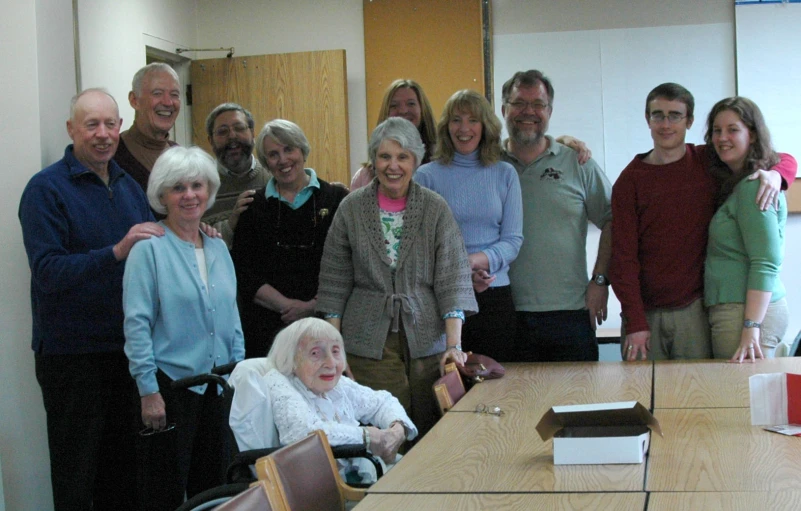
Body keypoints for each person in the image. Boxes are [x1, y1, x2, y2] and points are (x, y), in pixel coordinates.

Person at [18, 88, 162, 511]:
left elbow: (152, 246)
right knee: (78, 476)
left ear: (120, 127)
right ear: (71, 130)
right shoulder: (45, 190)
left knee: (124, 474)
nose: (103, 134)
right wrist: (116, 252)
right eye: (92, 125)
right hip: (72, 358)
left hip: (127, 354)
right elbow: (47, 272)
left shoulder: (129, 185)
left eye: (110, 124)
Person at [609, 83, 797, 361]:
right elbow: (623, 257)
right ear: (647, 119)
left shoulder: (708, 160)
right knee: (644, 397)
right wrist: (635, 321)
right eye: (657, 115)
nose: (666, 123)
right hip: (645, 315)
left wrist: (776, 175)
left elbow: (783, 158)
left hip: (696, 309)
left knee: (700, 396)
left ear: (690, 121)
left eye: (675, 115)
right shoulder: (629, 181)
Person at [317, 117, 478, 438]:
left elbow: (452, 279)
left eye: (403, 157)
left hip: (427, 340)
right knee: (390, 431)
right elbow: (334, 285)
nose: (393, 166)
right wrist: (336, 352)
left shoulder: (435, 208)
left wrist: (454, 344)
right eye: (385, 156)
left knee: (435, 430)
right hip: (367, 343)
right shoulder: (351, 208)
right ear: (373, 159)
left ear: (416, 162)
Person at [123, 146, 245, 511]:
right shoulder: (149, 250)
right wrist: (148, 390)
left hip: (218, 387)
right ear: (162, 195)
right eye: (178, 188)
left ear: (209, 191)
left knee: (215, 490)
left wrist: (238, 375)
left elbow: (232, 317)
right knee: (164, 493)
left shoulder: (218, 247)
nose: (189, 195)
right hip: (170, 389)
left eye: (197, 185)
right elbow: (137, 324)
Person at [501, 69, 612, 362]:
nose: (528, 112)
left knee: (575, 404)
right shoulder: (488, 164)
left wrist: (600, 280)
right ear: (503, 110)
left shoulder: (577, 162)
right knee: (514, 406)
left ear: (550, 111)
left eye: (538, 104)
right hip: (504, 311)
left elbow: (614, 220)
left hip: (571, 313)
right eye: (518, 103)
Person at [415, 89, 522, 362]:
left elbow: (512, 240)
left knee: (497, 391)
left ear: (485, 126)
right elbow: (418, 246)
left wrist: (475, 263)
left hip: (494, 295)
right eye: (456, 120)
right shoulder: (426, 176)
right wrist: (462, 273)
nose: (464, 128)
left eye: (473, 120)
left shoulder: (505, 173)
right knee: (448, 393)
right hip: (442, 300)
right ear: (445, 127)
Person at [232, 120, 348, 357]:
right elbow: (244, 272)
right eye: (273, 154)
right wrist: (288, 307)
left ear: (302, 151)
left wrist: (311, 307)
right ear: (265, 162)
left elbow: (349, 264)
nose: (283, 160)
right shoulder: (252, 206)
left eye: (289, 149)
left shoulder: (337, 199)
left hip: (326, 325)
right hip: (267, 332)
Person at [264, 317, 417, 482]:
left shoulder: (337, 385)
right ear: (291, 359)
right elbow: (303, 433)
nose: (331, 363)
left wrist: (397, 428)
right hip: (322, 490)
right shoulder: (280, 384)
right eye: (316, 353)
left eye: (335, 351)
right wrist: (366, 436)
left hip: (357, 474)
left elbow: (383, 401)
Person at [703, 97, 791, 363]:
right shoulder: (738, 183)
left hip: (746, 315)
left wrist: (751, 328)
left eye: (733, 129)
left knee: (741, 400)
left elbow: (766, 261)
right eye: (717, 130)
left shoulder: (755, 186)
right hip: (736, 311)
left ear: (752, 134)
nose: (722, 137)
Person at [201, 102, 270, 247]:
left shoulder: (273, 177)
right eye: (222, 131)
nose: (232, 136)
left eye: (239, 128)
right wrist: (230, 224)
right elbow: (193, 244)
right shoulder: (198, 186)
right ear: (210, 141)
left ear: (252, 133)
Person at [350, 79, 437, 190]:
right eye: (394, 106)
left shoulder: (440, 165)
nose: (403, 110)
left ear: (422, 110)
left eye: (411, 104)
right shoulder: (364, 177)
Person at [115, 63, 181, 192]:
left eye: (174, 94)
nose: (168, 102)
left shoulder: (179, 155)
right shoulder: (113, 156)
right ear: (134, 100)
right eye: (157, 93)